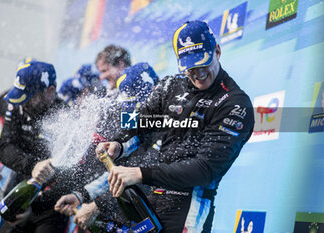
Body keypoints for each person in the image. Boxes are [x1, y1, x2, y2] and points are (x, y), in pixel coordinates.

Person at [95, 20, 255, 232]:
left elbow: (204, 170)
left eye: (202, 63)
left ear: (217, 51)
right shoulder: (171, 85)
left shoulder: (234, 103)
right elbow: (140, 121)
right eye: (190, 68)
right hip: (153, 199)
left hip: (190, 207)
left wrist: (140, 173)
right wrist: (118, 142)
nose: (197, 73)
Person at [54, 62, 159, 231]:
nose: (133, 114)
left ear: (154, 93)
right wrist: (81, 195)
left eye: (137, 107)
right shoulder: (135, 121)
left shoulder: (169, 121)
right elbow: (118, 171)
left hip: (166, 213)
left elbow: (143, 175)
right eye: (129, 108)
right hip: (138, 215)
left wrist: (97, 206)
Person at [0, 61, 87, 233]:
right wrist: (32, 165)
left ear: (50, 91)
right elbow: (5, 148)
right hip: (19, 199)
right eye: (20, 96)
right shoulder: (16, 107)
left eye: (28, 97)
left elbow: (75, 175)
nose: (22, 103)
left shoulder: (66, 118)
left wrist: (37, 203)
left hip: (52, 207)